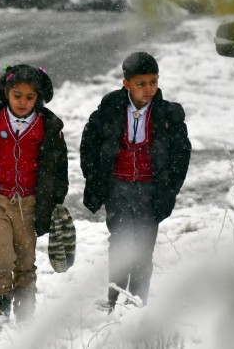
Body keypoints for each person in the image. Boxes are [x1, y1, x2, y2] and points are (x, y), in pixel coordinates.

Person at [80, 52, 191, 312]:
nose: (148, 89)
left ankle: (136, 302)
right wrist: (95, 179)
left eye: (153, 82)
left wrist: (169, 189)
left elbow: (181, 154)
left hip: (150, 191)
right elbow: (89, 144)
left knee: (143, 248)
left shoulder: (168, 114)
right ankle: (113, 299)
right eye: (141, 83)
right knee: (119, 243)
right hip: (117, 188)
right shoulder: (110, 109)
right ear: (126, 83)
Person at [0, 64, 69, 324]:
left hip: (31, 203)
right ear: (6, 93)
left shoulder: (48, 126)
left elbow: (59, 167)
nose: (23, 102)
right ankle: (0, 305)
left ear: (39, 98)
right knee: (1, 256)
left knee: (25, 258)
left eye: (30, 97)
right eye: (17, 95)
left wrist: (55, 199)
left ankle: (25, 309)